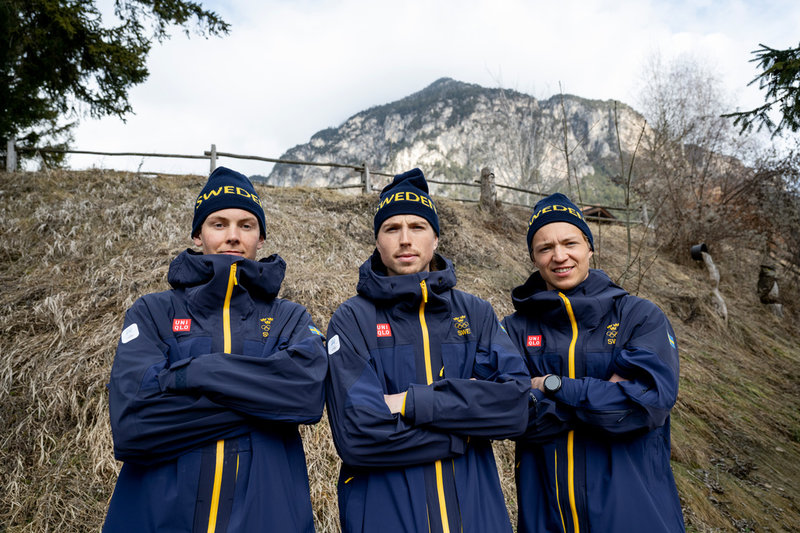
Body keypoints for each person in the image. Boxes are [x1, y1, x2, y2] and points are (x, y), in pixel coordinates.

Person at [103, 167, 328, 533]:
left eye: (246, 225)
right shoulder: (153, 312)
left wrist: (192, 374)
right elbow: (133, 425)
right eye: (219, 224)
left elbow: (305, 396)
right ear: (198, 235)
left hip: (267, 520)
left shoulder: (289, 317)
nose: (233, 236)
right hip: (159, 520)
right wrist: (264, 403)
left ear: (261, 237)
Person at [325, 168, 531, 533]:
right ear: (377, 240)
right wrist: (465, 430)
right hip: (384, 518)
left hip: (478, 519)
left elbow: (514, 407)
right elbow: (357, 436)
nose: (405, 239)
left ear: (435, 238)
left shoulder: (476, 313)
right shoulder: (351, 319)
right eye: (392, 228)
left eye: (417, 227)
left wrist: (408, 403)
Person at [502, 193, 685, 533]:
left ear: (589, 246)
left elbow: (645, 406)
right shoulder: (512, 330)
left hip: (636, 517)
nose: (559, 256)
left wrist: (552, 386)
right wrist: (602, 399)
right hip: (547, 518)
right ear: (533, 256)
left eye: (570, 242)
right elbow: (508, 414)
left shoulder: (639, 317)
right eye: (545, 248)